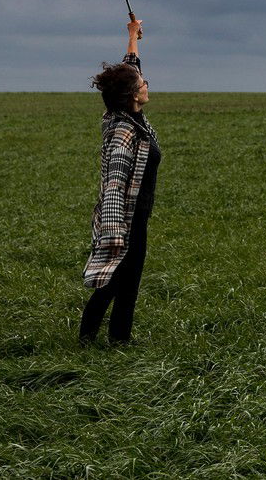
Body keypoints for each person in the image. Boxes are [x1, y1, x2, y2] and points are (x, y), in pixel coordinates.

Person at [79, 18, 160, 346]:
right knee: (115, 280)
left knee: (129, 279)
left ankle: (116, 338)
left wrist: (132, 36)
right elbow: (113, 186)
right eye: (142, 82)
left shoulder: (127, 114)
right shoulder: (123, 133)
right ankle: (92, 340)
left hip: (138, 213)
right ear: (132, 95)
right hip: (125, 217)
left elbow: (131, 65)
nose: (146, 83)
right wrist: (115, 235)